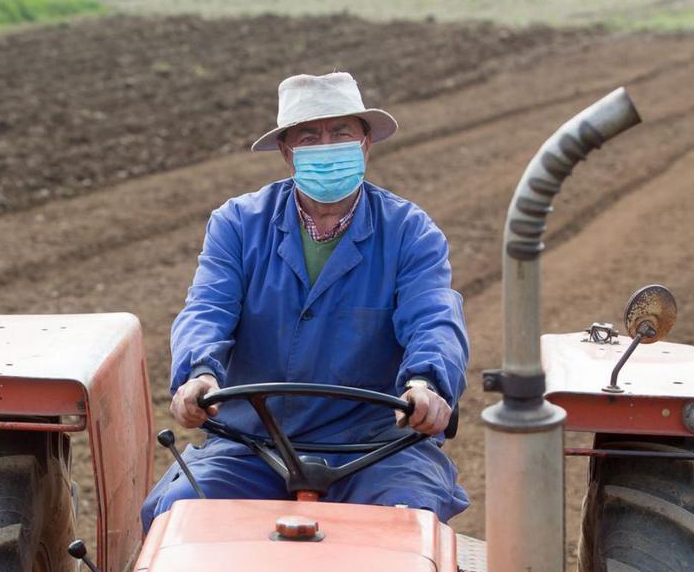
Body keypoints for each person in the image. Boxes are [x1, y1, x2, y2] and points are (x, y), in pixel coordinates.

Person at [140, 71, 470, 532]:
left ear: (365, 143)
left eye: (340, 133)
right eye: (309, 136)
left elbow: (433, 316)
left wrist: (426, 384)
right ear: (286, 151)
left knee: (408, 520)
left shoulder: (409, 232)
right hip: (252, 442)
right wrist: (199, 373)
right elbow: (207, 308)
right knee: (181, 515)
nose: (326, 146)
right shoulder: (237, 224)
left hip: (373, 445)